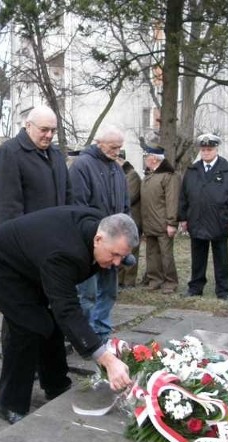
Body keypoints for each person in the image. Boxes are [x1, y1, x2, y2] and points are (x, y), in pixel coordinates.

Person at [0, 206, 137, 424]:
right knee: (27, 326)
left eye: (123, 257)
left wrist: (123, 254)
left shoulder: (100, 228)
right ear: (98, 239)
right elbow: (68, 310)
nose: (117, 264)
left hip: (33, 260)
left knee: (50, 322)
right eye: (115, 255)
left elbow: (62, 312)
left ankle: (56, 384)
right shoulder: (65, 254)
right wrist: (107, 359)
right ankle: (10, 404)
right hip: (2, 264)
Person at [69, 126, 130, 342]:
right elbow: (79, 206)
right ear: (99, 143)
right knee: (88, 294)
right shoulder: (82, 166)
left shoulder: (117, 169)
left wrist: (125, 234)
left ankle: (101, 332)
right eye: (113, 147)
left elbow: (124, 205)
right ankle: (83, 335)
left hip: (113, 243)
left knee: (109, 292)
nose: (117, 152)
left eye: (120, 148)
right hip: (91, 244)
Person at [178, 133, 228, 300]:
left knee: (221, 258)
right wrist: (183, 218)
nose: (206, 152)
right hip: (197, 219)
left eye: (209, 149)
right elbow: (184, 196)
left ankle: (223, 291)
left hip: (220, 220)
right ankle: (195, 288)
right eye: (203, 149)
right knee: (197, 257)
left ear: (216, 149)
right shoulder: (193, 170)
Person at [0, 105, 71, 225]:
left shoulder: (57, 154)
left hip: (57, 234)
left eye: (53, 130)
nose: (49, 135)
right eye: (44, 129)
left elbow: (69, 195)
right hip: (28, 238)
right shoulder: (10, 152)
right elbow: (8, 207)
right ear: (28, 126)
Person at [140, 143, 181, 294]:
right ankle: (154, 279)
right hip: (149, 223)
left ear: (154, 159)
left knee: (166, 254)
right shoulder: (149, 176)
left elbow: (172, 201)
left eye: (147, 157)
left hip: (163, 223)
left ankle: (170, 282)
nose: (145, 159)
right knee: (151, 254)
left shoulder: (169, 176)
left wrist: (171, 222)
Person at [117, 155, 142, 288]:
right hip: (122, 219)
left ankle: (129, 281)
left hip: (133, 219)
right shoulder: (119, 174)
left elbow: (130, 196)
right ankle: (120, 279)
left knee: (132, 250)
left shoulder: (132, 175)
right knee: (120, 248)